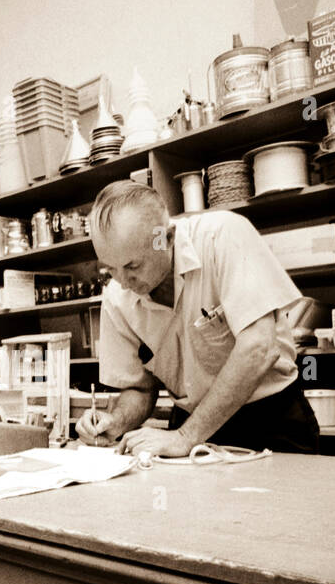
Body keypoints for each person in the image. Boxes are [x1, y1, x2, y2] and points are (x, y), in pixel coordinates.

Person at [77, 181, 319, 456]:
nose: (122, 281)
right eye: (110, 270)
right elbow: (140, 389)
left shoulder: (223, 236)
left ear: (167, 238)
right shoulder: (116, 297)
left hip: (270, 419)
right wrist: (117, 420)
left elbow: (259, 349)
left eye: (133, 266)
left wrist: (184, 438)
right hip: (190, 424)